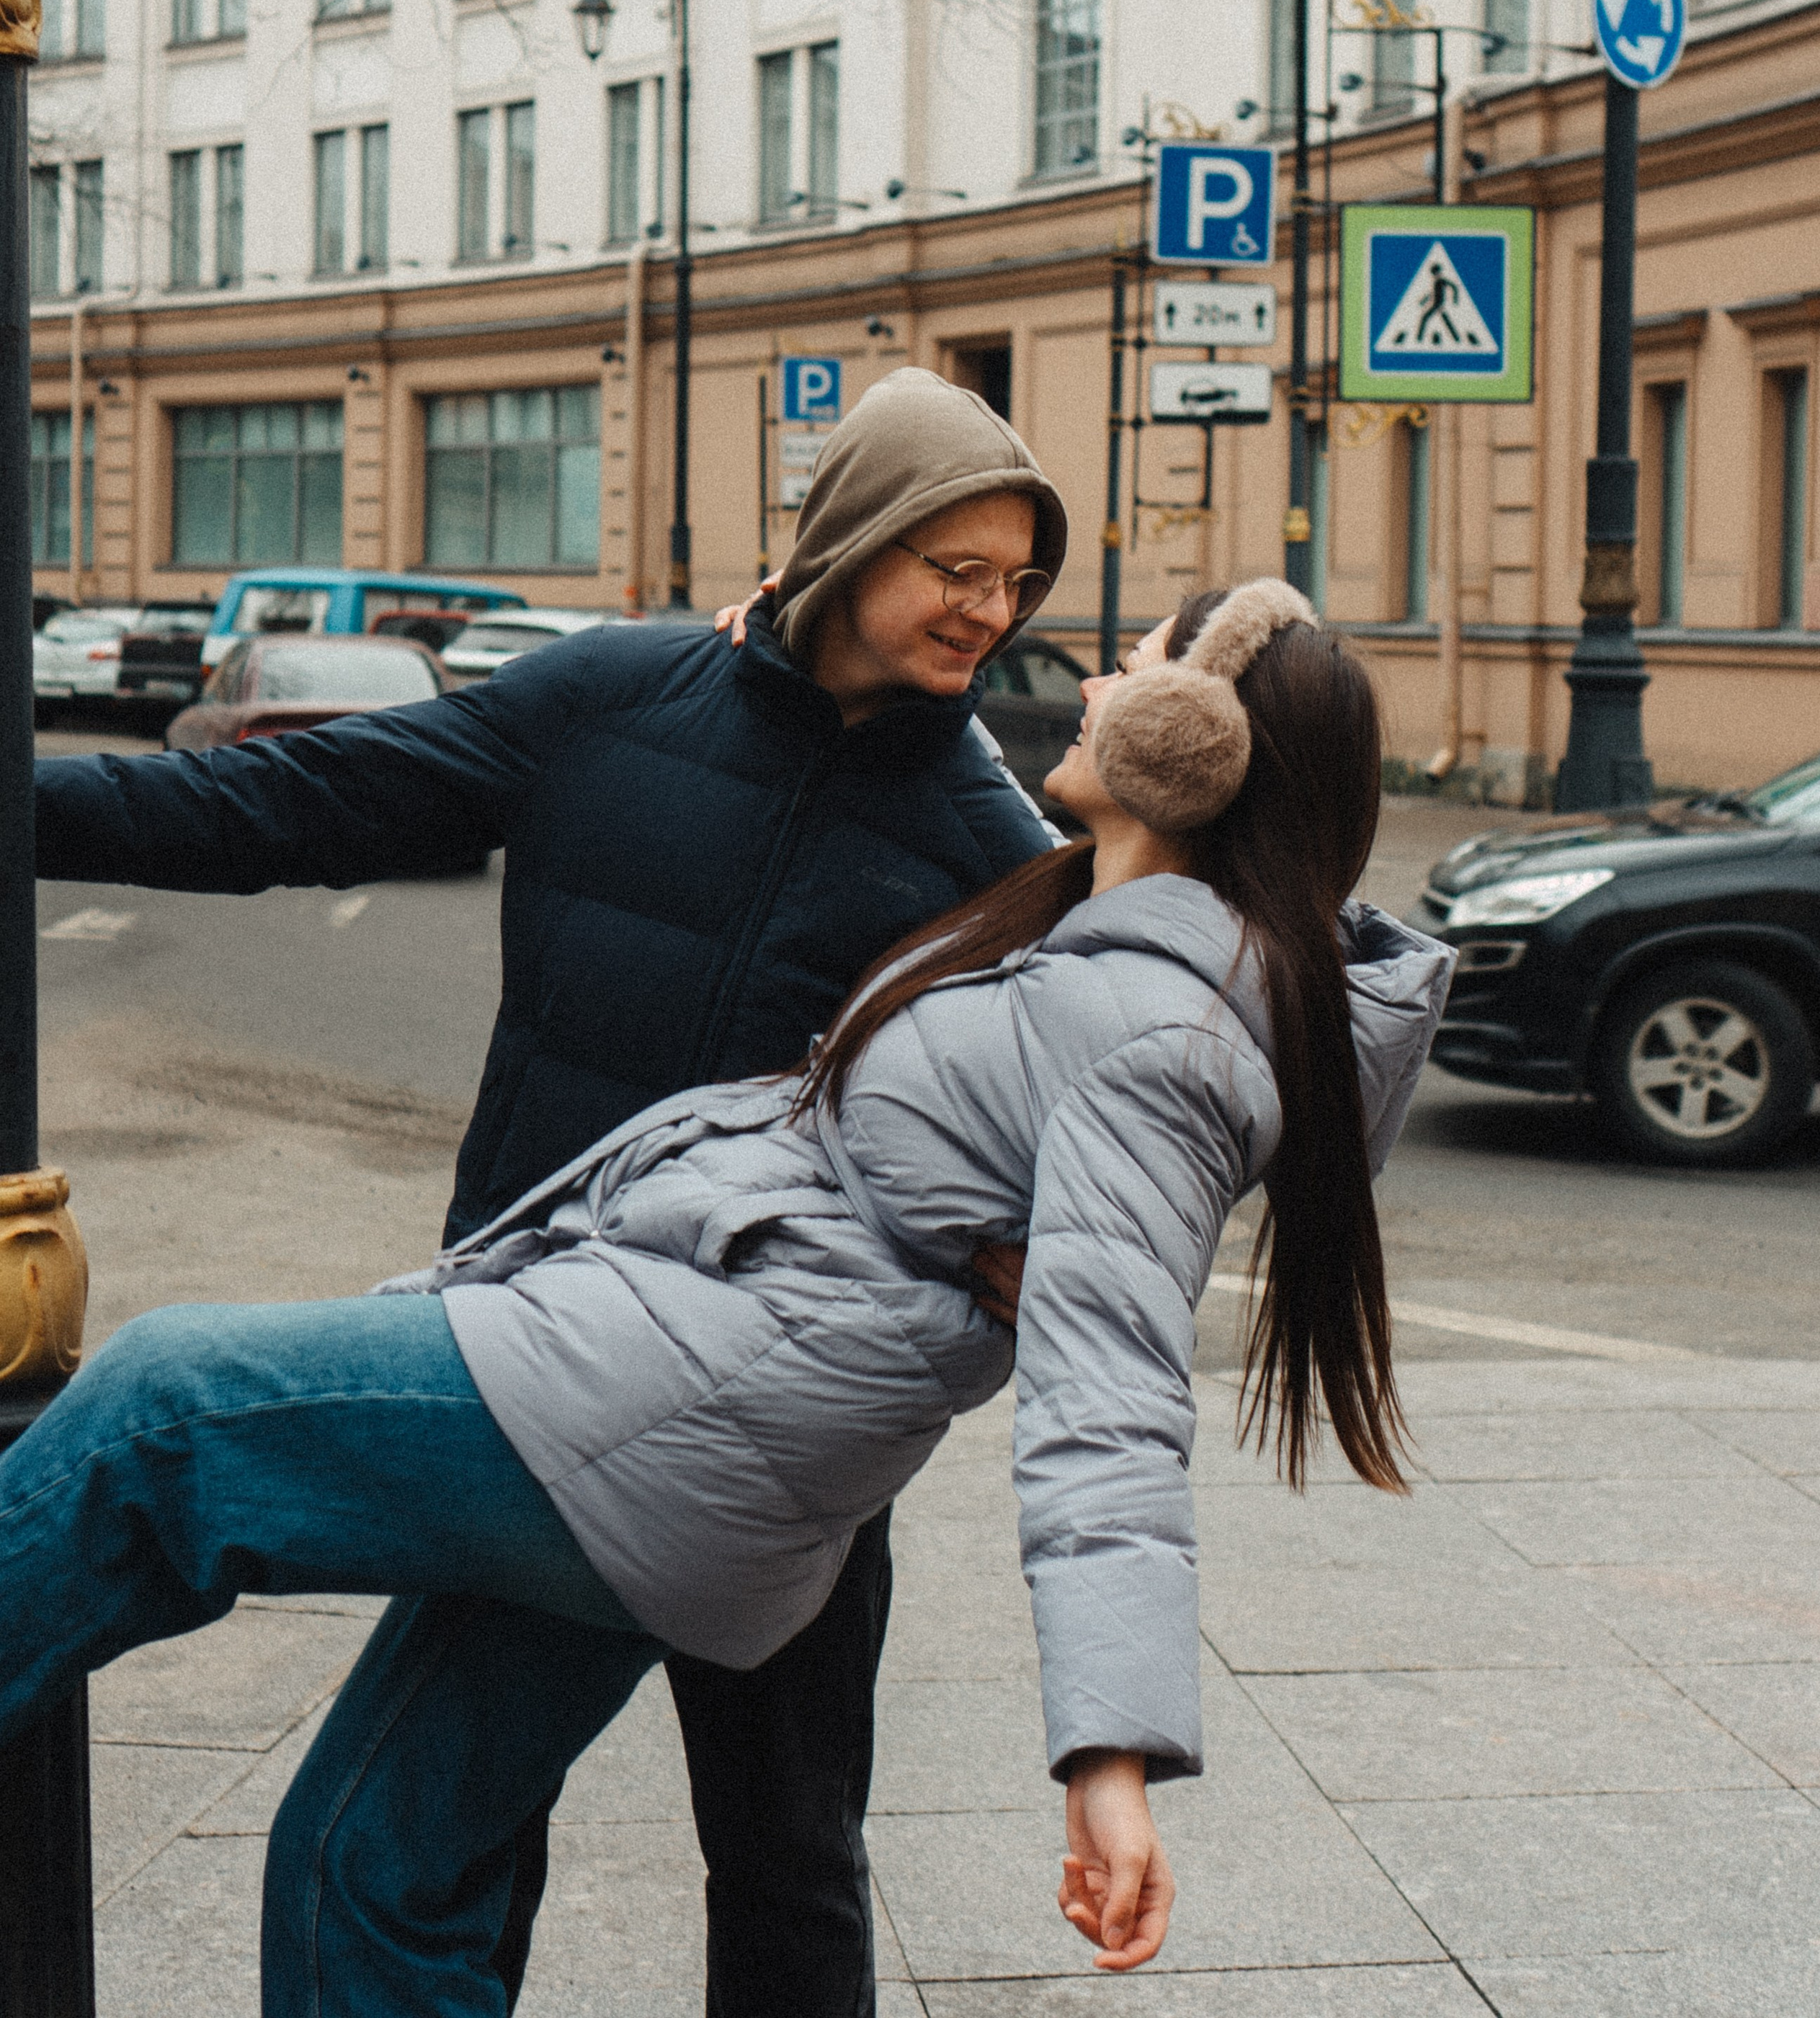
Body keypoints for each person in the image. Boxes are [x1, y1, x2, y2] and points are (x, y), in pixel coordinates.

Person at [6, 579, 1453, 2010]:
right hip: (691, 1432)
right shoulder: (1101, 936)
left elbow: (1113, 1398)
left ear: (1191, 744)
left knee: (167, 1413)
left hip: (681, 1399)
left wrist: (1111, 1754)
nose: (1084, 683)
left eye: (1129, 667)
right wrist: (800, 620)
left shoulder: (1162, 1038)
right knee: (372, 1860)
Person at [32, 366, 1069, 2018]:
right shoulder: (610, 696)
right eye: (958, 569)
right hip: (534, 1359)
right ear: (850, 539)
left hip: (764, 1418)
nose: (991, 612)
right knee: (440, 1841)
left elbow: (1088, 1117)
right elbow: (279, 804)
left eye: (1015, 582)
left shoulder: (989, 854)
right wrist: (30, 809)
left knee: (786, 1852)